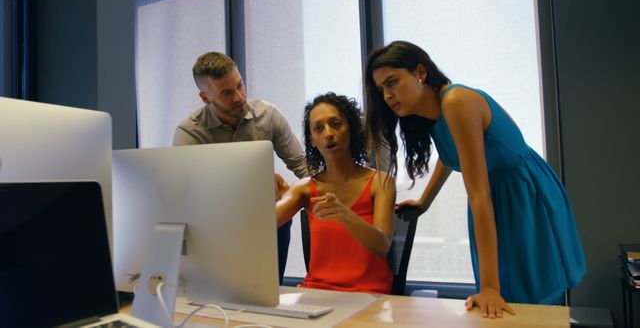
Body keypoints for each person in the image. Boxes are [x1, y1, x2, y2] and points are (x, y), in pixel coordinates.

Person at [364, 41, 586, 317]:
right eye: (381, 89)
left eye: (392, 82)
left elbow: (478, 194)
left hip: (521, 193)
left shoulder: (456, 101)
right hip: (493, 198)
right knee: (504, 305)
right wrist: (425, 200)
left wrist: (491, 287)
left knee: (530, 302)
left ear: (420, 72)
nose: (387, 95)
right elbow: (450, 154)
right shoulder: (431, 113)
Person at [174, 52, 308, 284]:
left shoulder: (267, 115)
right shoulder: (190, 133)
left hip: (270, 221)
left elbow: (302, 165)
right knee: (225, 296)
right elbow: (191, 194)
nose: (239, 97)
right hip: (219, 228)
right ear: (205, 98)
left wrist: (317, 191)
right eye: (227, 93)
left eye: (240, 85)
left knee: (269, 293)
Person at [275, 92, 396, 293]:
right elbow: (263, 225)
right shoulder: (304, 188)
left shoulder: (381, 182)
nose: (328, 133)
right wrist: (263, 190)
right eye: (318, 128)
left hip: (369, 294)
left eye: (336, 124)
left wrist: (345, 215)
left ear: (351, 128)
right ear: (312, 140)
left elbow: (382, 246)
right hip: (316, 293)